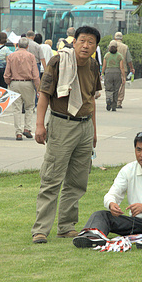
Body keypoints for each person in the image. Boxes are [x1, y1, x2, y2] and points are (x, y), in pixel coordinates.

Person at [31, 25, 102, 244]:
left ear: (96, 46)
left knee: (78, 180)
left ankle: (67, 226)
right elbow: (44, 94)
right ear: (75, 41)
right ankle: (41, 229)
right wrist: (40, 125)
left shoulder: (93, 65)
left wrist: (94, 131)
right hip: (62, 124)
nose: (86, 45)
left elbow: (91, 99)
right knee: (52, 178)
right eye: (82, 40)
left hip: (84, 126)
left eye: (91, 42)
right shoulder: (58, 61)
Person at [4, 37, 40, 141]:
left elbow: (6, 73)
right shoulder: (31, 56)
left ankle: (18, 133)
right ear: (27, 46)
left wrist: (9, 82)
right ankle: (27, 129)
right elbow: (35, 74)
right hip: (28, 83)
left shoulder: (11, 56)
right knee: (29, 107)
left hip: (14, 82)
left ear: (18, 45)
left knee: (16, 109)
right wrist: (38, 88)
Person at [102, 40, 125, 111]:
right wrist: (123, 77)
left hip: (108, 72)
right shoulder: (119, 56)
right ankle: (114, 106)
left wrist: (102, 73)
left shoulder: (107, 55)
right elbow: (122, 67)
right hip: (117, 73)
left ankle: (109, 99)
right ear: (116, 47)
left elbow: (104, 66)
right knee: (116, 90)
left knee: (108, 88)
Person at [114, 31, 135, 109]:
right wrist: (131, 68)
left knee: (113, 85)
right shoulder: (125, 47)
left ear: (115, 38)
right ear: (122, 38)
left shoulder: (111, 45)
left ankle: (111, 100)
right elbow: (129, 59)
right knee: (121, 85)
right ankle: (118, 102)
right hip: (123, 69)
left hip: (112, 68)